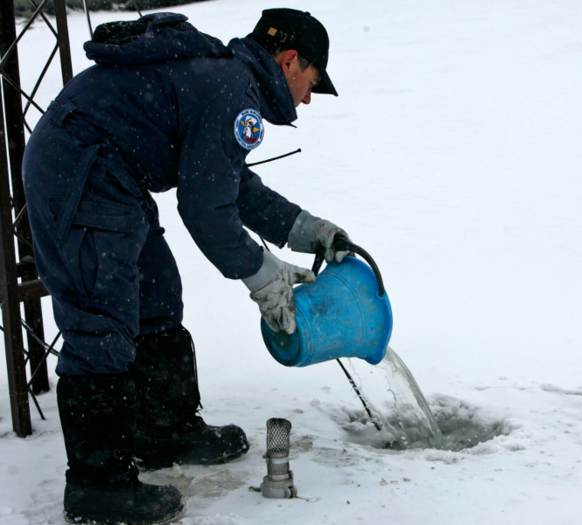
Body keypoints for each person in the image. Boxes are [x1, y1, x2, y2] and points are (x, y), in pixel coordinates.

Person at [22, 8, 349, 524]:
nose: (306, 99)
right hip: (81, 172)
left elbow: (227, 184)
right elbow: (204, 208)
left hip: (107, 170)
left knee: (155, 292)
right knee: (101, 317)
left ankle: (163, 430)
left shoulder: (226, 79)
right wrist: (263, 278)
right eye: (311, 83)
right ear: (289, 61)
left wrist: (309, 230)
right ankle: (96, 484)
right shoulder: (230, 91)